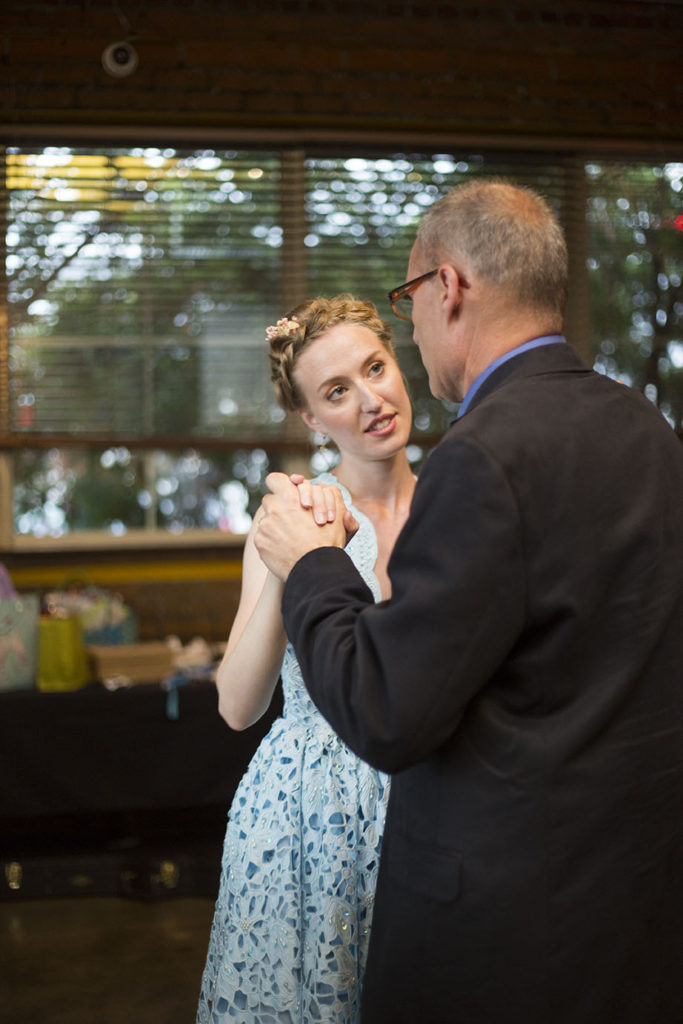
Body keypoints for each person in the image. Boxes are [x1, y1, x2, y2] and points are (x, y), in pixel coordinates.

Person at [253, 180, 683, 1024]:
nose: (407, 337)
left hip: (513, 931)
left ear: (446, 289)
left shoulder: (479, 458)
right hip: (639, 904)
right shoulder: (651, 434)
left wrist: (312, 565)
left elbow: (388, 712)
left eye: (406, 304)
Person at [196, 295, 416, 1023]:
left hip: (427, 795)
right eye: (336, 392)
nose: (371, 401)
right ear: (312, 421)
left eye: (374, 369)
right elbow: (236, 706)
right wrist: (291, 557)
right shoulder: (290, 514)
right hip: (303, 816)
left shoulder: (458, 499)